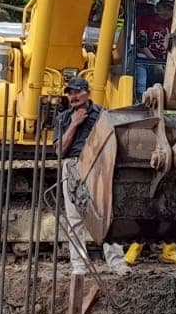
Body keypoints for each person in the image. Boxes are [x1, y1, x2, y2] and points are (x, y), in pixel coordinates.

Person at [54, 77, 132, 274]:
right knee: (75, 217)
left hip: (99, 167)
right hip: (73, 165)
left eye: (77, 92)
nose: (73, 96)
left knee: (106, 214)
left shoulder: (102, 115)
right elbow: (59, 151)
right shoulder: (63, 118)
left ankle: (117, 263)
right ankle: (80, 266)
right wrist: (74, 124)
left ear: (87, 92)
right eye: (70, 92)